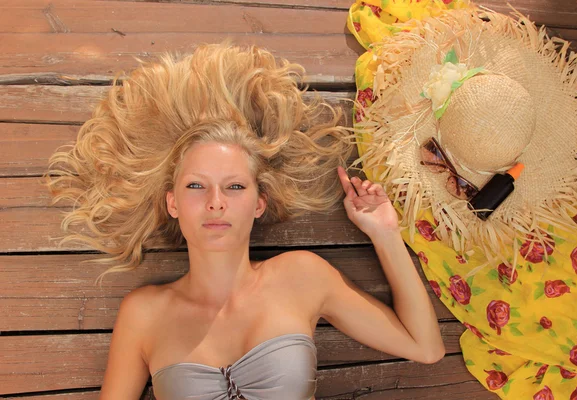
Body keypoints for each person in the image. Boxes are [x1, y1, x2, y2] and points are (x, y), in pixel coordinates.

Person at [44, 42, 445, 400]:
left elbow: (425, 348)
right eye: (197, 186)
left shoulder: (302, 276)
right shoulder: (144, 313)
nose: (216, 203)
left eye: (234, 187)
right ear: (172, 203)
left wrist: (385, 232)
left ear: (259, 203)